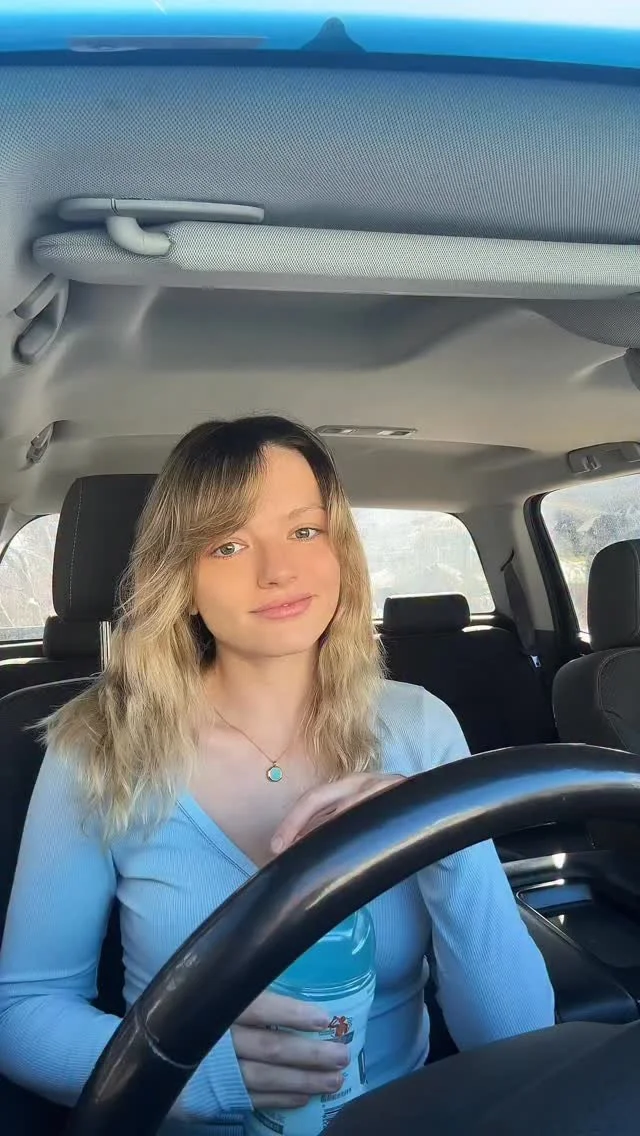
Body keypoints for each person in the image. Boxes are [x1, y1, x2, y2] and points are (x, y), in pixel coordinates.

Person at [0, 416, 555, 1135]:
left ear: (339, 549)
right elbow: (22, 1010)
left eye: (304, 531)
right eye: (229, 545)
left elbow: (518, 1043)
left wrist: (440, 834)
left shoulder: (418, 727)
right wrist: (192, 1073)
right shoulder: (100, 744)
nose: (277, 571)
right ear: (180, 576)